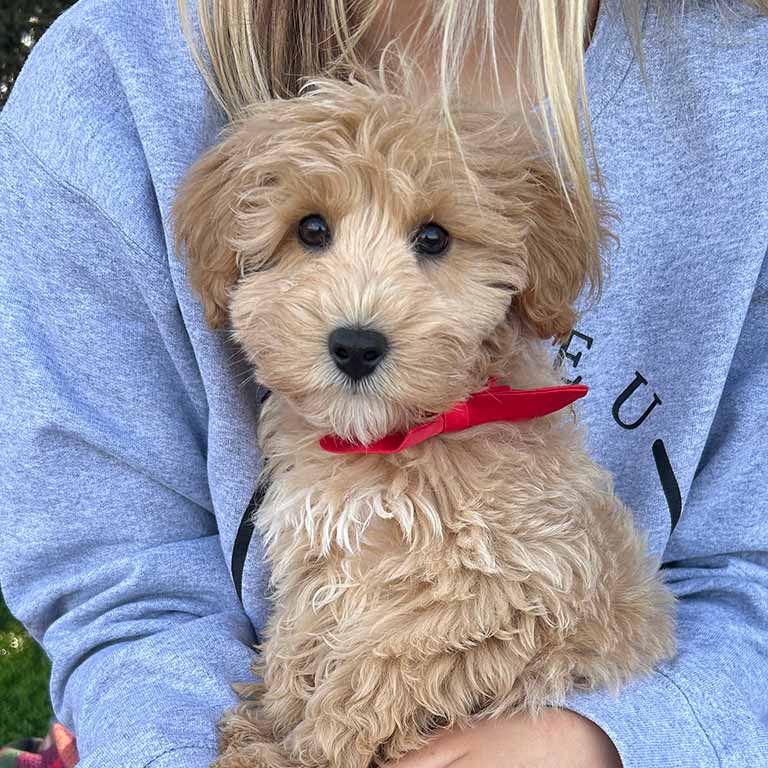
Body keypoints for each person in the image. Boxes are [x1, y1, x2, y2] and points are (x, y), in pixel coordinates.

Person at [0, 1, 766, 767]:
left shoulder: (742, 82)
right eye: (311, 232)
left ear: (529, 261)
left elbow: (545, 611)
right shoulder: (108, 77)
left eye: (432, 240)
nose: (360, 312)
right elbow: (123, 595)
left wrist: (618, 741)